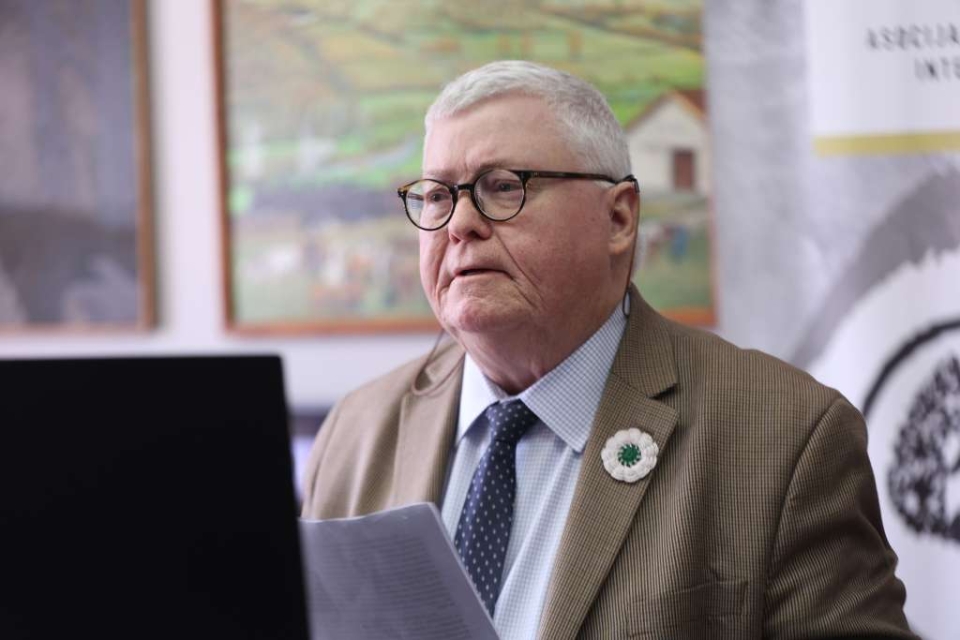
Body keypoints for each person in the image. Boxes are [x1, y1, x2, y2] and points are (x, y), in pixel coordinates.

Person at [301, 60, 915, 639]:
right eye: (437, 196)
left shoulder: (785, 437)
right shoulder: (356, 432)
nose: (459, 223)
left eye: (502, 187)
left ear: (618, 218)